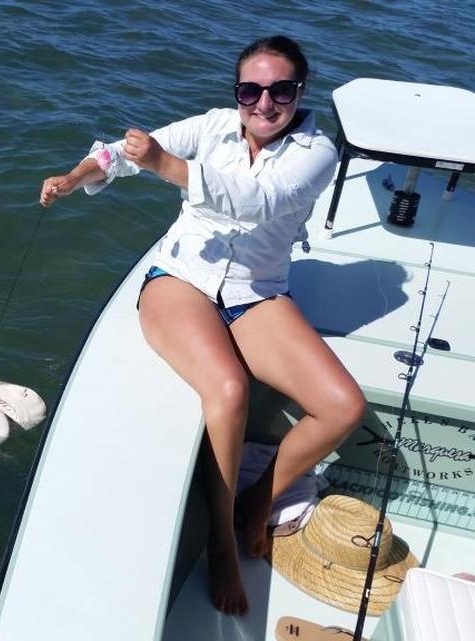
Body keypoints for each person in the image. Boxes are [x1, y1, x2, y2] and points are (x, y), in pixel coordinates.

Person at [38, 35, 365, 616]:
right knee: (229, 389)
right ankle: (221, 540)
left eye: (280, 90)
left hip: (256, 292)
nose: (264, 104)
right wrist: (72, 177)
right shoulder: (213, 126)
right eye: (250, 90)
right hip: (182, 279)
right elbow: (120, 152)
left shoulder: (318, 151)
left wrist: (165, 166)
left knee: (341, 406)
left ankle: (254, 504)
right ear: (236, 93)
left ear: (300, 91)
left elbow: (261, 200)